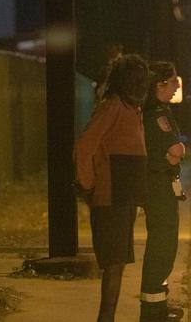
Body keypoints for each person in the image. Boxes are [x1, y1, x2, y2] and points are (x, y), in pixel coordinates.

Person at [74, 54, 150, 322]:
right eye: (135, 80)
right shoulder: (114, 106)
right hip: (110, 199)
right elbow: (84, 147)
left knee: (116, 268)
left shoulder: (131, 109)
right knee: (113, 267)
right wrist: (88, 185)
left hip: (124, 200)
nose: (140, 86)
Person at [139, 61, 186, 322]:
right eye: (174, 82)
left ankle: (158, 306)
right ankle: (152, 312)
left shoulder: (157, 111)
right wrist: (174, 155)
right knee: (162, 245)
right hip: (158, 186)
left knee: (165, 244)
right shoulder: (157, 114)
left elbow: (174, 152)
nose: (177, 86)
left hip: (159, 183)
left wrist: (173, 155)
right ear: (160, 84)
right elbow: (177, 149)